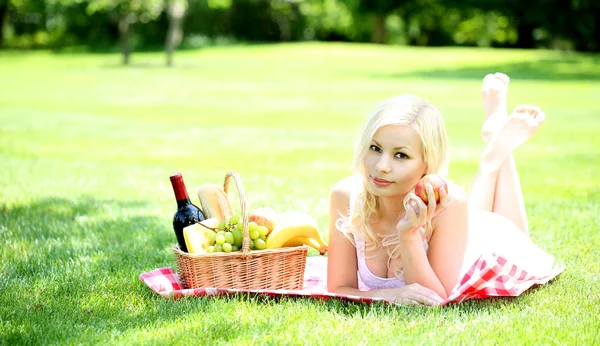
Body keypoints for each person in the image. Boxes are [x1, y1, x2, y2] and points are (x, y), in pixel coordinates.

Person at [326, 73, 558, 306]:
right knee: (475, 213)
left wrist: (408, 233)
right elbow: (338, 288)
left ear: (427, 163)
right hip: (463, 227)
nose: (381, 167)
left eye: (401, 155)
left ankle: (495, 151)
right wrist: (388, 295)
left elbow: (435, 299)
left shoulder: (449, 202)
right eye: (375, 148)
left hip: (485, 244)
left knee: (508, 231)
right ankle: (494, 142)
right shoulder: (345, 196)